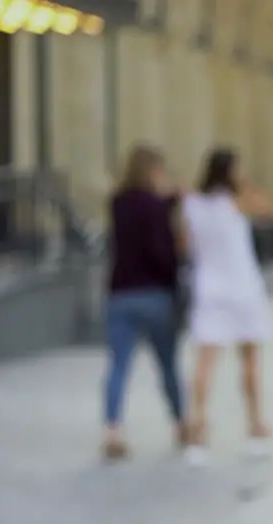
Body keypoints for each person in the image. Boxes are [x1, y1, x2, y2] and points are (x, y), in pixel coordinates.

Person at [179, 148, 273, 465]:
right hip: (242, 288)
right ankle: (255, 425)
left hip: (209, 288)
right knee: (249, 361)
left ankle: (198, 429)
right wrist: (245, 183)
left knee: (205, 364)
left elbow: (183, 244)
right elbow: (267, 209)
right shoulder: (235, 201)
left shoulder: (192, 203)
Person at [102, 145, 187, 460]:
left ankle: (112, 429)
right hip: (154, 294)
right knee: (167, 365)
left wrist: (168, 201)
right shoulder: (155, 207)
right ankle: (180, 424)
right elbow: (159, 250)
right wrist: (174, 274)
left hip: (120, 293)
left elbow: (135, 215)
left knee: (118, 365)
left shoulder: (117, 204)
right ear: (153, 170)